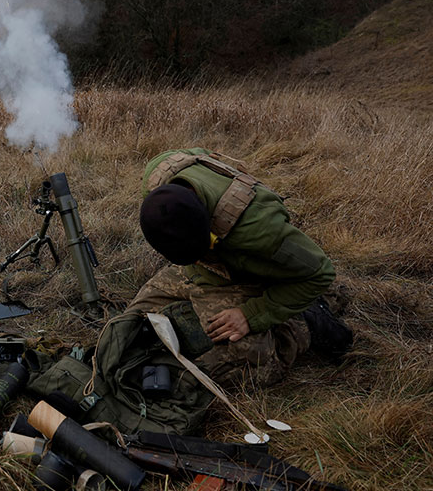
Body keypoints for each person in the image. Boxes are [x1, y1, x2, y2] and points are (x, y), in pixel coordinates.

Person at [127, 148, 352, 386]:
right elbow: (198, 154)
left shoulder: (259, 229)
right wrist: (193, 258)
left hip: (243, 274)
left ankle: (304, 321)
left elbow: (321, 273)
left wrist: (250, 314)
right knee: (130, 324)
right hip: (207, 270)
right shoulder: (159, 177)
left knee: (241, 361)